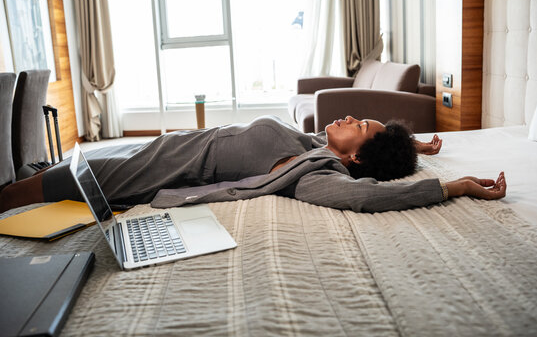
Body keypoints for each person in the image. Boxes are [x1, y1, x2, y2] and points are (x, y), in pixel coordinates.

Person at [0, 115, 506, 214]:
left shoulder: (317, 175)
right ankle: (32, 176)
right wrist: (415, 146)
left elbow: (364, 194)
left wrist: (451, 187)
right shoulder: (313, 144)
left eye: (360, 125)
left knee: (63, 181)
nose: (348, 116)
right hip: (165, 146)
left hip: (159, 170)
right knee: (53, 170)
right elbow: (378, 152)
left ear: (354, 155)